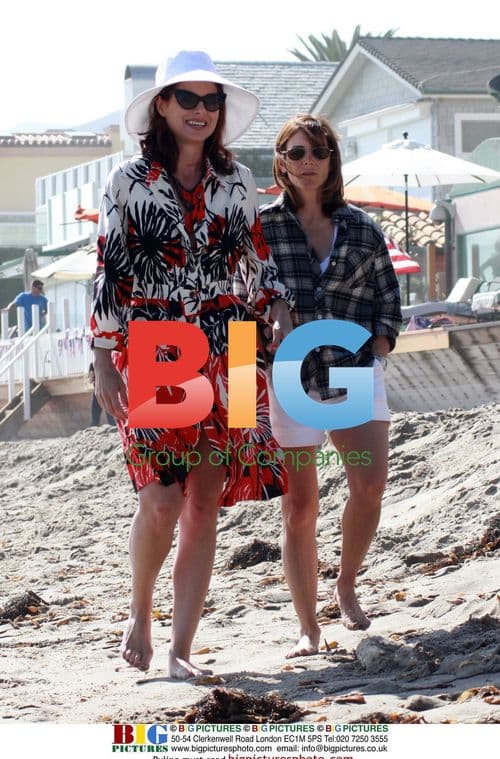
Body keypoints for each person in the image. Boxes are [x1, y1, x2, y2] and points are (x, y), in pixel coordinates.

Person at [91, 50, 293, 678]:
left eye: (212, 101)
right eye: (189, 100)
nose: (202, 111)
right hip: (156, 341)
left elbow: (253, 258)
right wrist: (103, 356)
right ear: (162, 106)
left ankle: (181, 650)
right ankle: (139, 608)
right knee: (159, 496)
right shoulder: (127, 180)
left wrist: (278, 308)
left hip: (232, 342)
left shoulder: (237, 180)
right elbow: (110, 267)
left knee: (204, 499)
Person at [239, 115, 402, 657]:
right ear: (280, 160)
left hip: (351, 368)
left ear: (332, 159)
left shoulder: (361, 228)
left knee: (370, 485)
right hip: (284, 374)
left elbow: (387, 298)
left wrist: (378, 348)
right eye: (297, 151)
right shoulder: (260, 228)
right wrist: (243, 393)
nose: (309, 161)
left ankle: (347, 582)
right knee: (300, 507)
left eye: (320, 151)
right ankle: (309, 627)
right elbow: (240, 304)